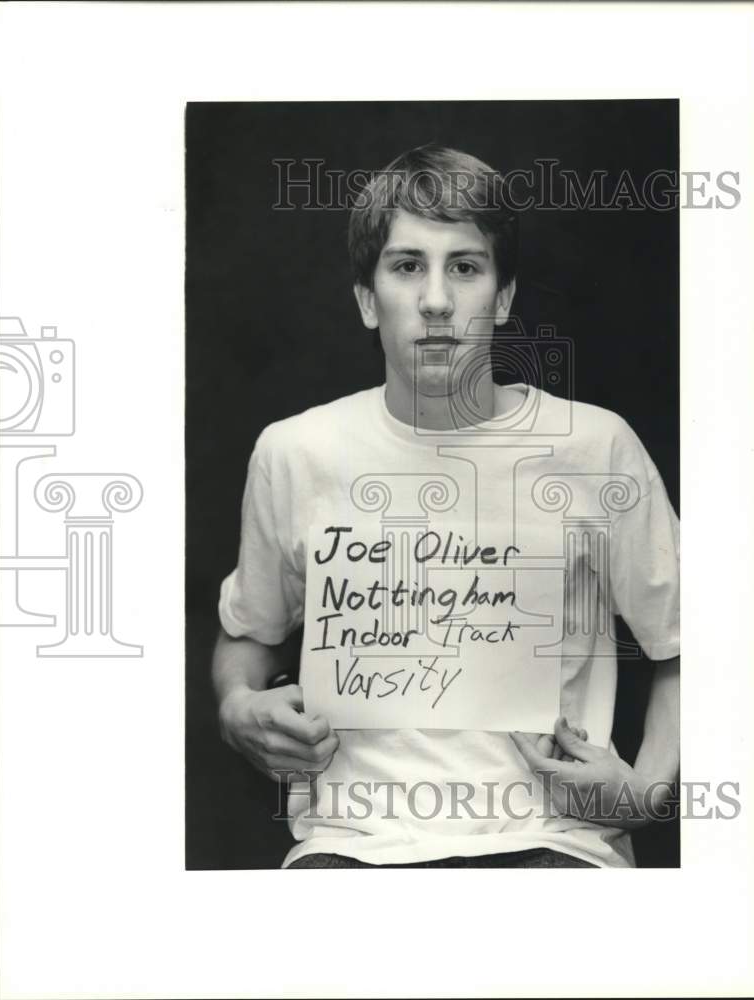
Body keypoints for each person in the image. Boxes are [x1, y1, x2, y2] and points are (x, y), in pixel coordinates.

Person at [212, 145, 680, 869]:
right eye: (407, 267)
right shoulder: (295, 453)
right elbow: (248, 635)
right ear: (369, 300)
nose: (436, 299)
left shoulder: (595, 447)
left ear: (503, 296)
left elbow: (693, 640)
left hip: (553, 844)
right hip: (350, 851)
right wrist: (238, 707)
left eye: (464, 267)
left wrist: (645, 792)